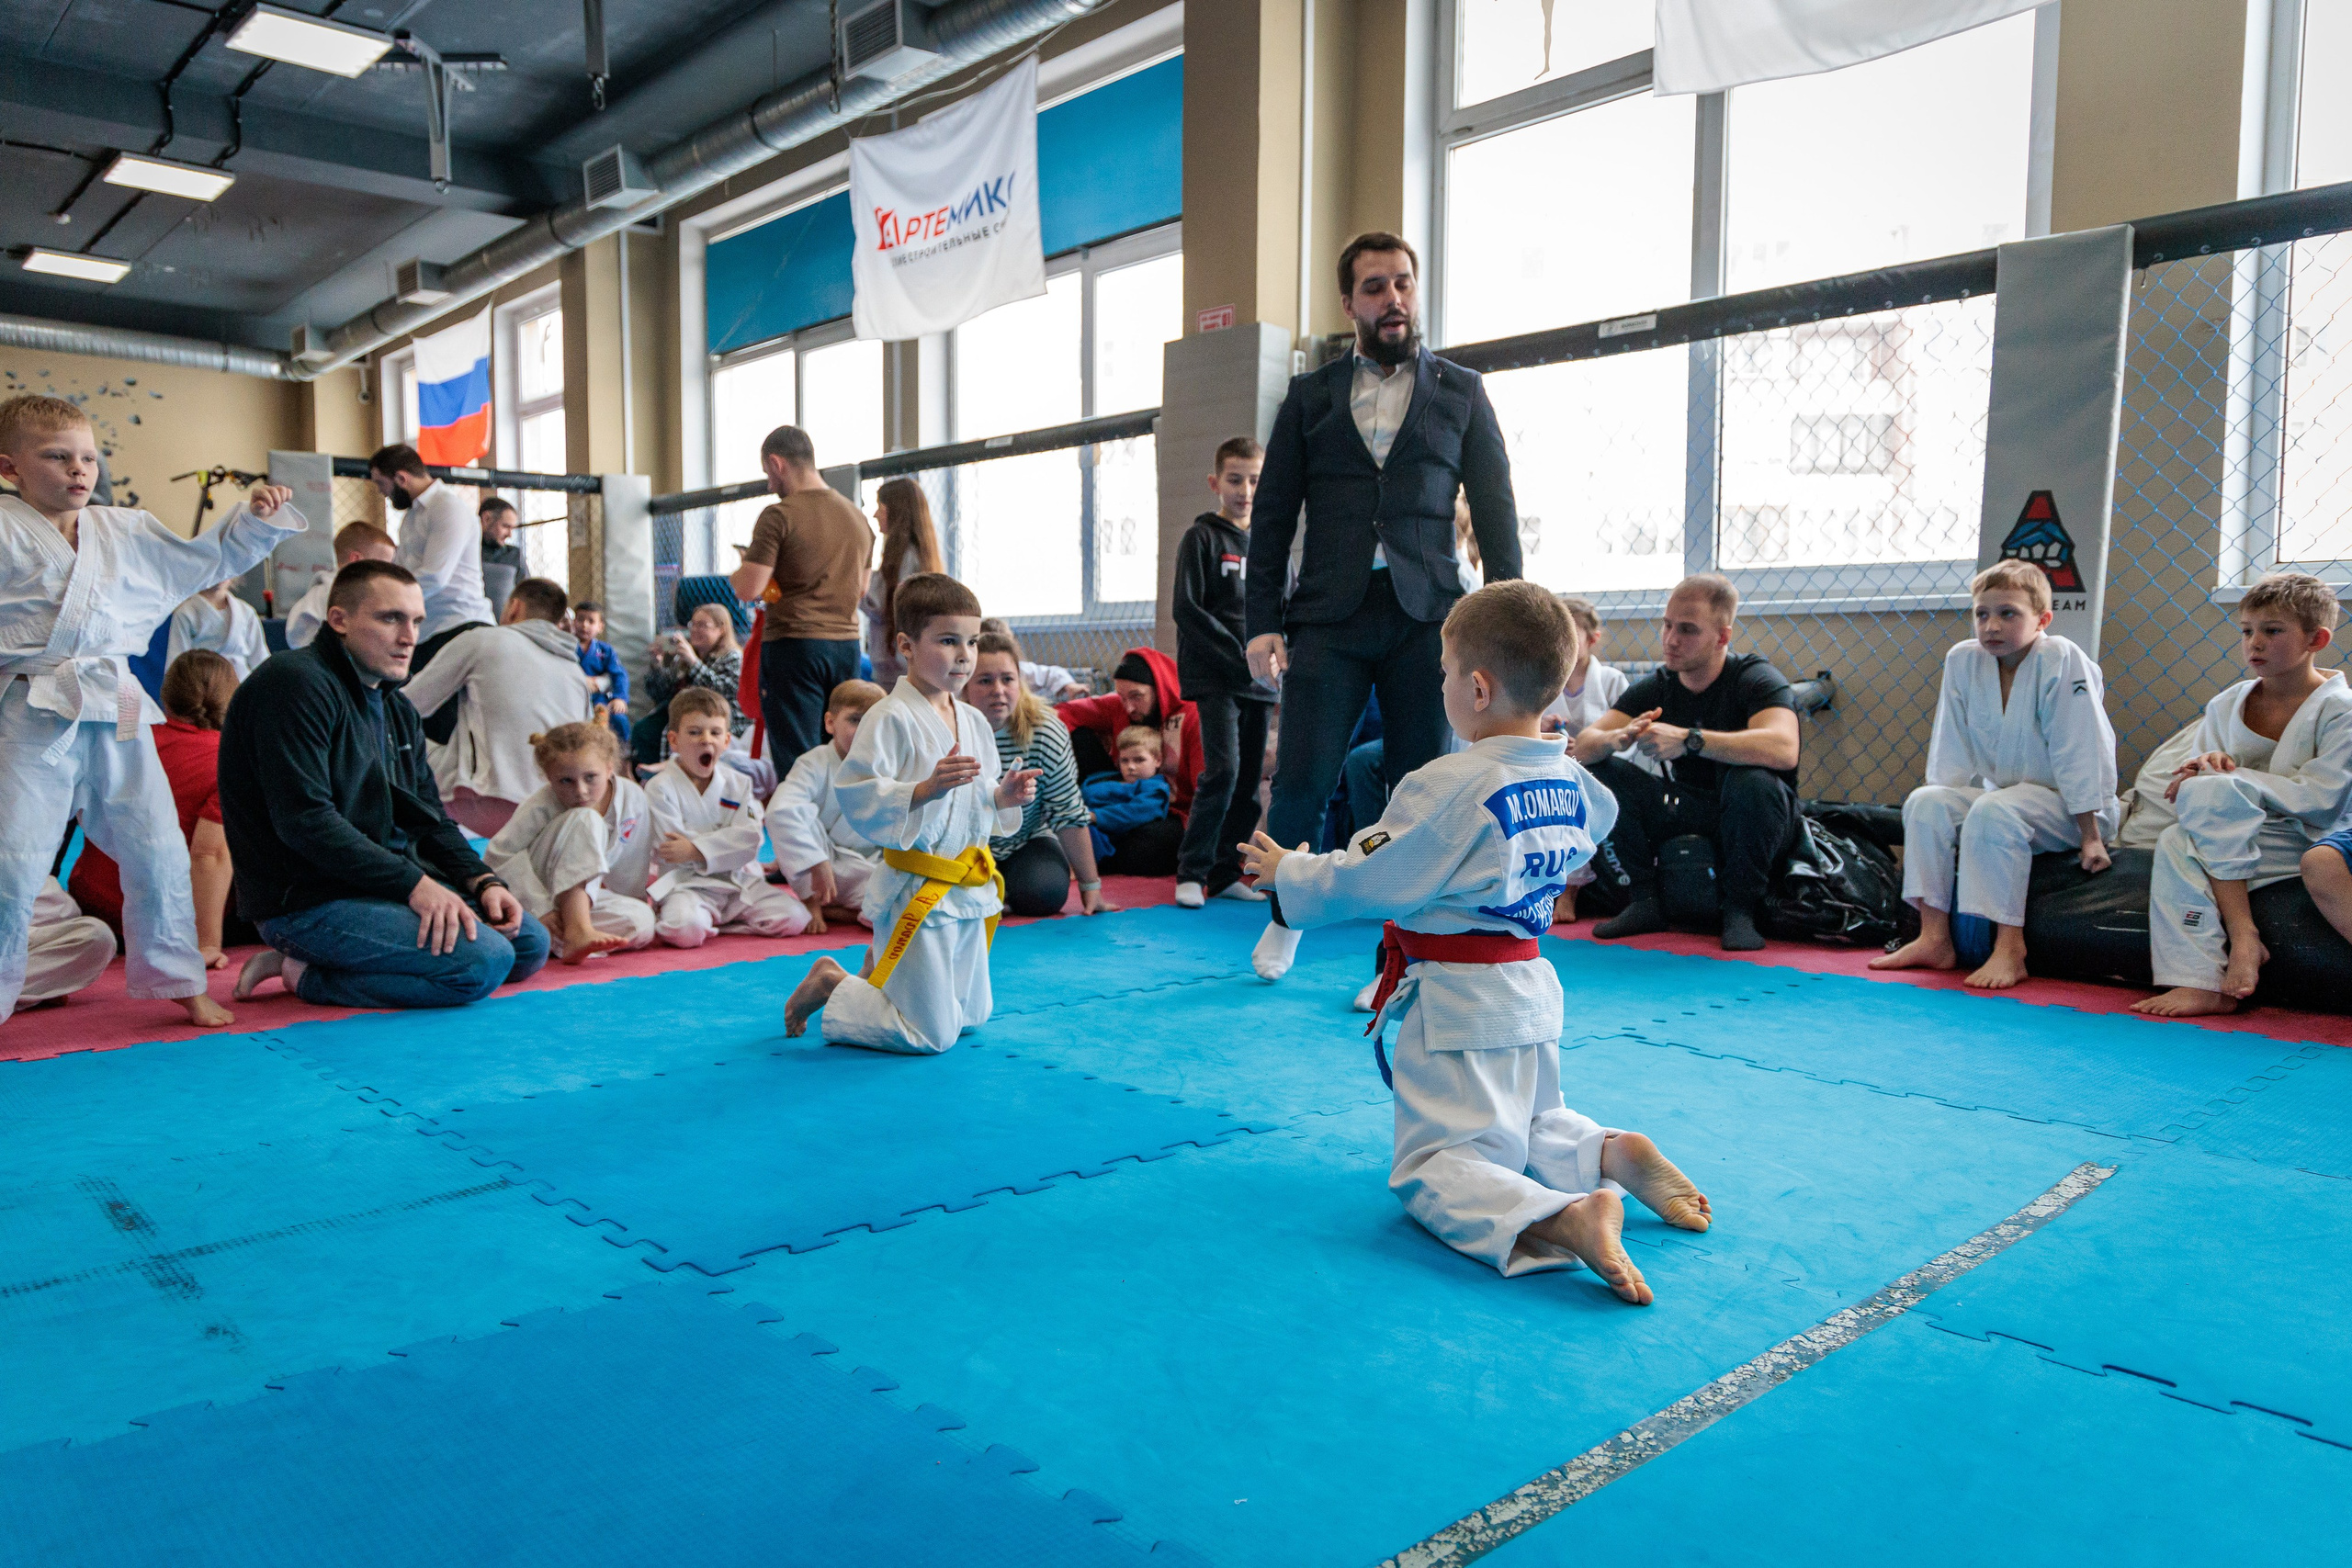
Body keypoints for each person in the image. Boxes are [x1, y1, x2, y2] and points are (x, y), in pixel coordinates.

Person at [1238, 581, 1708, 1295]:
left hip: (1457, 999)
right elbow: (1600, 817)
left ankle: (1563, 1215)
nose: (1442, 683)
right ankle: (1606, 1151)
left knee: (1435, 1163)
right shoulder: (1565, 772)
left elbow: (1371, 874)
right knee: (1525, 1119)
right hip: (1529, 989)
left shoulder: (1450, 782)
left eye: (1445, 671)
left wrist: (1290, 871)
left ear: (1478, 688)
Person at [1244, 231, 1523, 981]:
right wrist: (1261, 619)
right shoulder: (1308, 397)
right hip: (1328, 615)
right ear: (1349, 304)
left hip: (1428, 618)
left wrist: (1507, 626)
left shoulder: (1462, 390)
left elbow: (1495, 511)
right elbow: (1271, 514)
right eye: (1375, 287)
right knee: (1302, 777)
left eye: (1402, 283)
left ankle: (1402, 952)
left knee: (1421, 788)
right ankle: (1284, 915)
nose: (1392, 299)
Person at [0, 393, 305, 1028]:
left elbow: (202, 561)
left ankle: (182, 980)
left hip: (115, 708)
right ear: (10, 469)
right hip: (32, 712)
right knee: (14, 858)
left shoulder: (124, 530)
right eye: (57, 457)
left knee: (157, 847)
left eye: (87, 457)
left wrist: (249, 523)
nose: (78, 470)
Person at [220, 559, 550, 1010]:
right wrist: (414, 885)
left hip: (373, 887)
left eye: (416, 620)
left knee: (529, 945)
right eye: (390, 618)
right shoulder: (294, 684)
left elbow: (429, 817)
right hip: (305, 900)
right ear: (339, 620)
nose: (409, 636)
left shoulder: (396, 708)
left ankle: (346, 956)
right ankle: (302, 970)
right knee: (481, 964)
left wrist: (481, 880)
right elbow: (306, 822)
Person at [781, 574, 1041, 1051]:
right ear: (906, 645)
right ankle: (834, 985)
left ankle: (874, 980)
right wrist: (921, 790)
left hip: (967, 884)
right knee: (931, 1033)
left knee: (972, 1016)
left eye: (971, 641)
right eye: (947, 641)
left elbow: (974, 798)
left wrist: (1001, 798)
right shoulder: (889, 716)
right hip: (915, 888)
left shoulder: (975, 721)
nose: (964, 654)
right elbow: (857, 790)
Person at [1871, 561, 2120, 989]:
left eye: (2009, 614)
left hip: (2068, 805)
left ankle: (2010, 948)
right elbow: (1949, 743)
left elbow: (2081, 749)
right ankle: (1933, 936)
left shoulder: (2061, 657)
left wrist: (2091, 834)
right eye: (1982, 614)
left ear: (2042, 620)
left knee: (1992, 810)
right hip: (2003, 799)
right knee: (1925, 802)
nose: (1991, 626)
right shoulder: (1963, 660)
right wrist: (1944, 805)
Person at [2134, 573, 2352, 1018]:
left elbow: (2323, 800)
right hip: (2238, 840)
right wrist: (2199, 772)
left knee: (2217, 791)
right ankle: (2200, 982)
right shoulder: (2225, 704)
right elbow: (2195, 786)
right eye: (2247, 631)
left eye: (2273, 631)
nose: (2255, 643)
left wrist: (2235, 778)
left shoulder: (2340, 710)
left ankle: (2244, 934)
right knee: (2177, 837)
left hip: (2304, 840)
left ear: (2317, 639)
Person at [1570, 574, 1802, 953]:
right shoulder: (1660, 684)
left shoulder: (1755, 678)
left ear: (1722, 637)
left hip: (1755, 815)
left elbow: (1783, 747)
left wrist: (1690, 741)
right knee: (1595, 773)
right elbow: (1585, 745)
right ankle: (1644, 900)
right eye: (1667, 625)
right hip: (1686, 807)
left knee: (1752, 781)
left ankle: (1740, 910)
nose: (1671, 639)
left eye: (1688, 630)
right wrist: (1619, 738)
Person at [70, 649, 256, 964]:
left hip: (92, 906)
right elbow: (210, 854)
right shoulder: (229, 760)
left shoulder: (127, 743)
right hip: (161, 920)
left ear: (166, 697)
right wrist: (206, 944)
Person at [400, 578, 594, 838]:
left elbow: (407, 705)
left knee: (394, 730)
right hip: (555, 812)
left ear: (513, 607)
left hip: (484, 805)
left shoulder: (483, 640)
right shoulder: (576, 673)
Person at [729, 425, 874, 768]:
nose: (769, 485)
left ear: (777, 463)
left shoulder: (780, 515)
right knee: (839, 751)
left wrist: (740, 569)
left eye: (767, 474)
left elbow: (748, 588)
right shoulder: (858, 519)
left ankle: (796, 821)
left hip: (795, 645)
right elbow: (862, 589)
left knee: (797, 760)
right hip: (846, 646)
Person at [1171, 435, 1275, 909]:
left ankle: (1226, 873)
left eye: (1255, 480)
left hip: (1259, 681)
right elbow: (1187, 609)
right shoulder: (1202, 538)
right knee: (1223, 770)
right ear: (1216, 483)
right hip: (1218, 676)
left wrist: (1277, 658)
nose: (1245, 490)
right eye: (1235, 479)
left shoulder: (1269, 547)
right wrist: (1238, 654)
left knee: (1251, 779)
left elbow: (1283, 609)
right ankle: (1191, 871)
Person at [642, 687, 810, 947]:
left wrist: (695, 849)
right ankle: (705, 920)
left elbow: (751, 840)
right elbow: (670, 849)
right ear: (674, 740)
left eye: (715, 732)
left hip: (738, 884)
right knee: (685, 931)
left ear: (727, 741)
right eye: (694, 732)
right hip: (687, 885)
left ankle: (725, 925)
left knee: (795, 917)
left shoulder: (740, 784)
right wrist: (726, 843)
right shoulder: (660, 787)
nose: (706, 740)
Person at [484, 721, 656, 965]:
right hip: (539, 889)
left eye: (590, 777)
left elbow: (634, 859)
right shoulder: (541, 804)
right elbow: (499, 855)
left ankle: (556, 937)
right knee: (587, 819)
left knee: (642, 920)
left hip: (575, 901)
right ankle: (576, 932)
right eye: (566, 781)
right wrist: (540, 907)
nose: (581, 791)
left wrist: (632, 898)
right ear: (549, 778)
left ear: (610, 768)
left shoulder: (633, 797)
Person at [967, 631, 1109, 918]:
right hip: (966, 846)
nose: (998, 689)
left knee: (1045, 893)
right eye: (985, 680)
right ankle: (989, 891)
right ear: (963, 685)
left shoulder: (1044, 729)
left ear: (1020, 681)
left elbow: (1067, 809)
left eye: (1007, 679)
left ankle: (999, 891)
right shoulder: (948, 728)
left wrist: (1090, 885)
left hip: (1026, 841)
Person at [372, 445, 493, 745]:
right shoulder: (413, 517)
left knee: (448, 726)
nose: (381, 493)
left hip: (459, 626)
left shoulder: (446, 507)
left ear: (400, 478)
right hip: (429, 630)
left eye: (381, 484)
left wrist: (382, 601)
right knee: (421, 723)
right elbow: (400, 575)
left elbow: (436, 576)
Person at [1056, 648, 1193, 875]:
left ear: (1158, 690)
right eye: (1122, 697)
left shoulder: (1192, 716)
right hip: (1117, 787)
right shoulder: (1120, 706)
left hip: (1167, 811)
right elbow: (1062, 713)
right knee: (1074, 735)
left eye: (1136, 696)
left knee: (1154, 844)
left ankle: (1088, 856)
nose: (1128, 707)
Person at [765, 679, 888, 932]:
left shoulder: (891, 765)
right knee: (791, 813)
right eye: (855, 720)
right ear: (830, 723)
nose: (865, 730)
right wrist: (816, 860)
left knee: (902, 914)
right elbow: (781, 810)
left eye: (873, 722)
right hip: (821, 868)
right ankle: (811, 903)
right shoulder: (814, 762)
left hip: (870, 868)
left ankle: (839, 913)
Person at [1541, 598, 1635, 926]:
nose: (1560, 642)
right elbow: (1521, 732)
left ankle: (1569, 890)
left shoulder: (1612, 681)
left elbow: (1628, 741)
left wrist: (1588, 749)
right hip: (1554, 771)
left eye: (1570, 634)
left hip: (1601, 775)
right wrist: (1544, 734)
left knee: (1579, 789)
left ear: (1592, 639)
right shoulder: (1542, 682)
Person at [639, 603, 750, 766]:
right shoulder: (685, 656)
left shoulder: (732, 657)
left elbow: (723, 692)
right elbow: (659, 693)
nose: (695, 630)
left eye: (703, 625)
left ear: (721, 629)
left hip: (720, 719)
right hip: (687, 714)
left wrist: (693, 662)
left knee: (661, 732)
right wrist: (657, 664)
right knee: (644, 730)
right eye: (693, 624)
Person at [860, 477, 943, 692]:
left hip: (897, 667)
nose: (875, 514)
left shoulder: (906, 558)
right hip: (899, 664)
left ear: (895, 511)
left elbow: (879, 603)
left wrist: (855, 579)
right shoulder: (919, 556)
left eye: (880, 507)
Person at [285, 523, 398, 649]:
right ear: (356, 559)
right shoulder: (330, 594)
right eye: (382, 565)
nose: (387, 573)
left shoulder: (330, 590)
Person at [15, 879, 115, 1012]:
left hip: (25, 936)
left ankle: (23, 991)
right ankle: (29, 992)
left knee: (98, 935)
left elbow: (65, 914)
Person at [1082, 726, 1175, 870]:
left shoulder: (1155, 787)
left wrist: (1094, 816)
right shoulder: (1102, 778)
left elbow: (1134, 812)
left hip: (1100, 834)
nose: (1131, 766)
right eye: (1124, 761)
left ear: (1157, 760)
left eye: (1139, 760)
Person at [166, 578, 268, 679]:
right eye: (216, 569)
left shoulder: (246, 611)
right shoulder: (186, 613)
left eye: (225, 570)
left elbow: (260, 658)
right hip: (203, 684)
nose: (221, 575)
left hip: (242, 684)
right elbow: (176, 663)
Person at [979, 618, 1086, 702]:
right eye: (986, 681)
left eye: (1007, 679)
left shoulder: (1023, 670)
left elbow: (1053, 673)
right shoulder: (973, 672)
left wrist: (1069, 686)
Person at [571, 600, 631, 742]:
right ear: (574, 622)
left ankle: (624, 756)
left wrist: (620, 698)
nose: (584, 625)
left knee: (619, 720)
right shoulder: (567, 647)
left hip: (600, 700)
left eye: (591, 621)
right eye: (580, 619)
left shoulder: (605, 651)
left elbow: (619, 675)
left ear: (600, 627)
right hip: (574, 698)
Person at [479, 496, 525, 616]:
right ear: (486, 518)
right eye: (505, 526)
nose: (509, 534)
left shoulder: (514, 555)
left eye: (512, 528)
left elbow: (527, 594)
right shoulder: (467, 552)